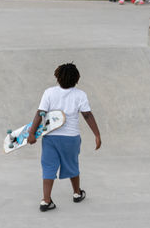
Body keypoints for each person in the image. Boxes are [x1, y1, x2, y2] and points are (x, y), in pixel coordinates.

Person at [27, 62, 102, 212]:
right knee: (72, 164)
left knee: (48, 167)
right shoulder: (80, 94)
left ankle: (46, 200)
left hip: (50, 138)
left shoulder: (49, 92)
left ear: (57, 77)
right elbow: (87, 115)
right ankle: (77, 193)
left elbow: (39, 113)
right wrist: (97, 134)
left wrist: (31, 133)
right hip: (70, 138)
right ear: (77, 79)